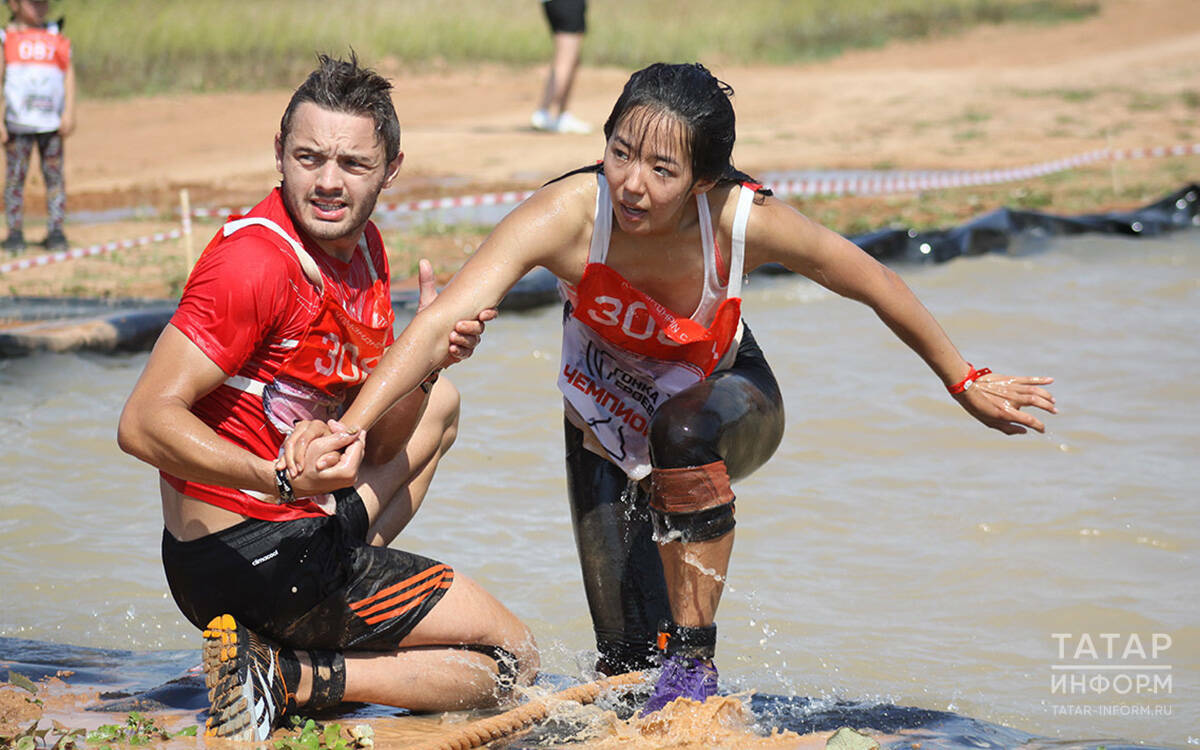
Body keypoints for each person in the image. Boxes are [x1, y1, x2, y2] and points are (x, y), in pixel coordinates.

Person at [285, 62, 1056, 714]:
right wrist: (348, 427)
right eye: (621, 154)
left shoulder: (738, 217)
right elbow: (441, 317)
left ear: (703, 179)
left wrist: (964, 378)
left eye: (662, 170)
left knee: (681, 439)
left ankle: (698, 662)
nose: (633, 185)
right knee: (624, 663)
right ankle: (658, 688)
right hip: (600, 412)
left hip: (727, 398)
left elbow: (872, 280)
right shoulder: (565, 214)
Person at [117, 54, 538, 742]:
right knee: (510, 661)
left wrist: (427, 363)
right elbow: (140, 422)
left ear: (392, 168)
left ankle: (293, 646)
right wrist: (276, 477)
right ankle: (293, 678)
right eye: (308, 158)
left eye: (352, 164)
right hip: (244, 555)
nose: (328, 183)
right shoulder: (254, 263)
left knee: (442, 402)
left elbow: (391, 442)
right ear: (278, 156)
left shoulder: (366, 250)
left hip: (290, 537)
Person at [0, 0, 75, 254]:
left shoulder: (56, 35)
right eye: (33, 2)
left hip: (50, 124)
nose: (40, 6)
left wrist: (69, 111)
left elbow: (68, 73)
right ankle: (14, 233)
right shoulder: (6, 38)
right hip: (17, 124)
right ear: (14, 4)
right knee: (14, 180)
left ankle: (55, 231)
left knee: (54, 179)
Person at [530, 0, 591, 134]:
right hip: (568, 4)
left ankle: (556, 113)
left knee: (568, 58)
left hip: (553, 4)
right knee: (566, 58)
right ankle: (551, 112)